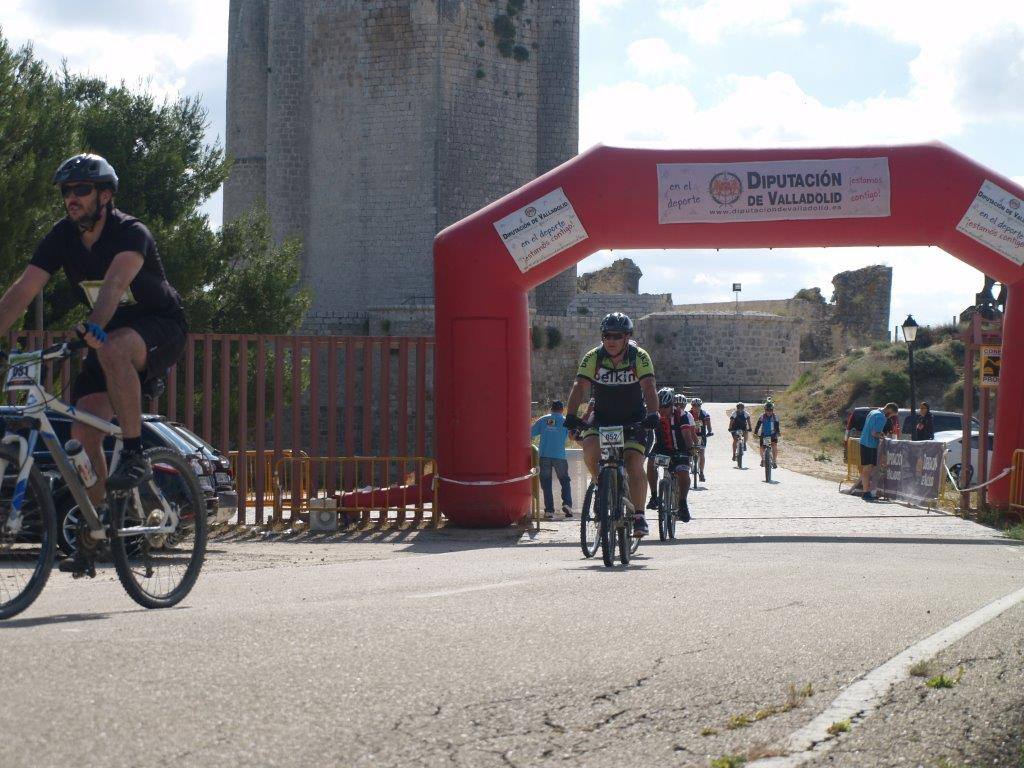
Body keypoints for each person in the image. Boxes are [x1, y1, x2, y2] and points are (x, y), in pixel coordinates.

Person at [0, 154, 188, 556]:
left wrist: (93, 326)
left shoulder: (129, 233)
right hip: (104, 340)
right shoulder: (61, 237)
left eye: (81, 190)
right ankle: (103, 522)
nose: (72, 198)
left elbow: (114, 288)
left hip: (159, 327)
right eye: (67, 191)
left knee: (115, 346)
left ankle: (136, 452)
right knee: (84, 435)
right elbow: (21, 292)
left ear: (105, 195)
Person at [564, 312, 660, 537]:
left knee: (634, 464)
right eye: (607, 335)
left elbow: (649, 386)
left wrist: (653, 413)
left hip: (633, 419)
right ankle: (601, 486)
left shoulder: (640, 356)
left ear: (627, 337)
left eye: (617, 336)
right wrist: (571, 414)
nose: (611, 341)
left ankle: (638, 515)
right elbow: (580, 386)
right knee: (589, 451)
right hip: (603, 418)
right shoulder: (593, 357)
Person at [646, 387, 694, 521]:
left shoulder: (682, 415)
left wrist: (690, 449)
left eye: (665, 407)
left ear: (672, 404)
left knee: (683, 473)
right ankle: (654, 496)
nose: (662, 410)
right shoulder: (654, 414)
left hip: (679, 449)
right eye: (659, 407)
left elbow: (686, 435)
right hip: (661, 448)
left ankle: (683, 503)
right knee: (650, 463)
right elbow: (645, 432)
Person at [531, 400, 573, 520]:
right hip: (560, 456)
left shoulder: (543, 419)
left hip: (544, 456)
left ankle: (549, 511)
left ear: (551, 408)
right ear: (562, 409)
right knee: (564, 480)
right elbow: (571, 436)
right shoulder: (565, 421)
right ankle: (567, 505)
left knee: (546, 483)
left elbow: (531, 433)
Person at [859, 402, 898, 501]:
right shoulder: (881, 417)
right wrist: (882, 436)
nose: (891, 417)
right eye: (892, 415)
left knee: (868, 467)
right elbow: (874, 433)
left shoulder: (873, 412)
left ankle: (865, 491)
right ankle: (866, 492)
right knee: (868, 468)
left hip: (863, 442)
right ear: (889, 410)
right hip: (870, 444)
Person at [688, 397, 712, 481]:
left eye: (698, 406)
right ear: (691, 406)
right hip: (690, 435)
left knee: (702, 453)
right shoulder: (688, 414)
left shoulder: (704, 414)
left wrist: (709, 431)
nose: (696, 407)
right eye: (694, 405)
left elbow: (708, 424)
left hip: (701, 436)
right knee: (688, 452)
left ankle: (701, 472)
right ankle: (686, 470)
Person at [754, 401, 781, 469]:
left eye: (770, 410)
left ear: (772, 410)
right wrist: (755, 432)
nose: (769, 412)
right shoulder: (762, 416)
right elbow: (758, 425)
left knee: (774, 445)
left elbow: (777, 426)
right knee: (762, 447)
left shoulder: (775, 417)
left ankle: (774, 461)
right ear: (765, 410)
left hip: (772, 434)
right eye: (767, 410)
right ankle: (763, 459)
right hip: (765, 434)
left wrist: (778, 433)